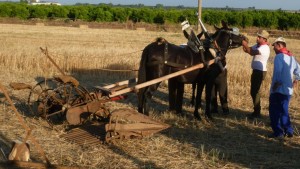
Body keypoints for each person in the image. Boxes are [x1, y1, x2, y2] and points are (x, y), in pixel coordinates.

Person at [268, 37, 300, 138]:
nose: (273, 48)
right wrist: (296, 79)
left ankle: (278, 132)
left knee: (274, 111)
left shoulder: (279, 57)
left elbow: (278, 71)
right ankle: (288, 130)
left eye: (274, 46)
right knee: (284, 110)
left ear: (279, 45)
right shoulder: (291, 58)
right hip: (288, 90)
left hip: (278, 89)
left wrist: (275, 85)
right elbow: (299, 71)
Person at [242, 30, 270, 119]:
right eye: (257, 36)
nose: (257, 38)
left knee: (255, 91)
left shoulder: (264, 48)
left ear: (264, 39)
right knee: (254, 91)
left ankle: (257, 112)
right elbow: (248, 50)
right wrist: (245, 46)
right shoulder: (258, 45)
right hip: (256, 71)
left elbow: (251, 52)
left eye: (259, 37)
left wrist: (245, 44)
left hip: (260, 72)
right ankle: (256, 111)